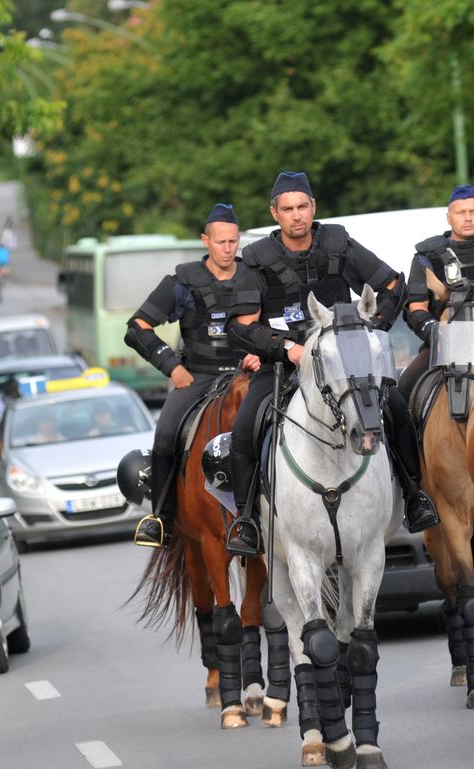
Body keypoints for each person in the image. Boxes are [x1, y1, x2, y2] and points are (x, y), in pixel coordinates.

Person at [225, 171, 440, 556]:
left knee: (395, 409)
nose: (296, 216)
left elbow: (393, 285)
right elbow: (240, 327)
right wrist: (285, 348)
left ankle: (414, 497)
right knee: (245, 427)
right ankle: (247, 520)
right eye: (288, 209)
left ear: (313, 208)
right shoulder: (256, 259)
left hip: (346, 360)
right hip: (286, 364)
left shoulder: (338, 243)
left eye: (302, 207)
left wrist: (371, 328)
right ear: (275, 213)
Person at [125, 203, 261, 548]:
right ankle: (161, 519)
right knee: (166, 432)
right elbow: (137, 328)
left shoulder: (257, 276)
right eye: (220, 242)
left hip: (252, 374)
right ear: (206, 241)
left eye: (233, 242)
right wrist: (173, 367)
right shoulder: (182, 282)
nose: (228, 249)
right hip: (199, 376)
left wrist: (265, 353)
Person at [398, 184, 474, 400]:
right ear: (449, 217)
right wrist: (438, 335)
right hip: (443, 346)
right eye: (461, 212)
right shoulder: (427, 256)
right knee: (405, 387)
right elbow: (417, 308)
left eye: (473, 212)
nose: (468, 218)